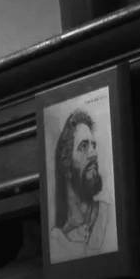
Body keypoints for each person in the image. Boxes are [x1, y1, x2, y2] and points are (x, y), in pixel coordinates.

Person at [48, 106, 112, 260]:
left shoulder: (109, 216)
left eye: (93, 146)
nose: (93, 154)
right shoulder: (57, 241)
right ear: (65, 164)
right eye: (83, 146)